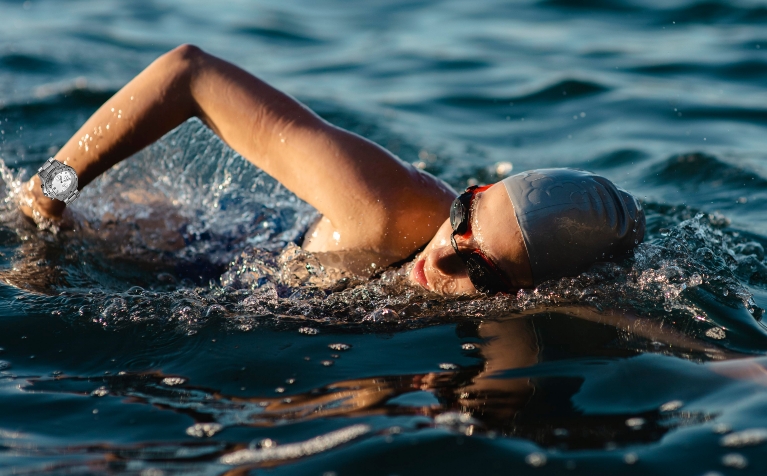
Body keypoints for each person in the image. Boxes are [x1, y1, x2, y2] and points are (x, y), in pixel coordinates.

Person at [18, 44, 645, 295]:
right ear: (469, 193)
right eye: (462, 217)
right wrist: (49, 194)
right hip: (198, 248)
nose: (443, 260)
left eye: (479, 269)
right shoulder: (388, 208)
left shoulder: (537, 300)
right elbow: (188, 73)